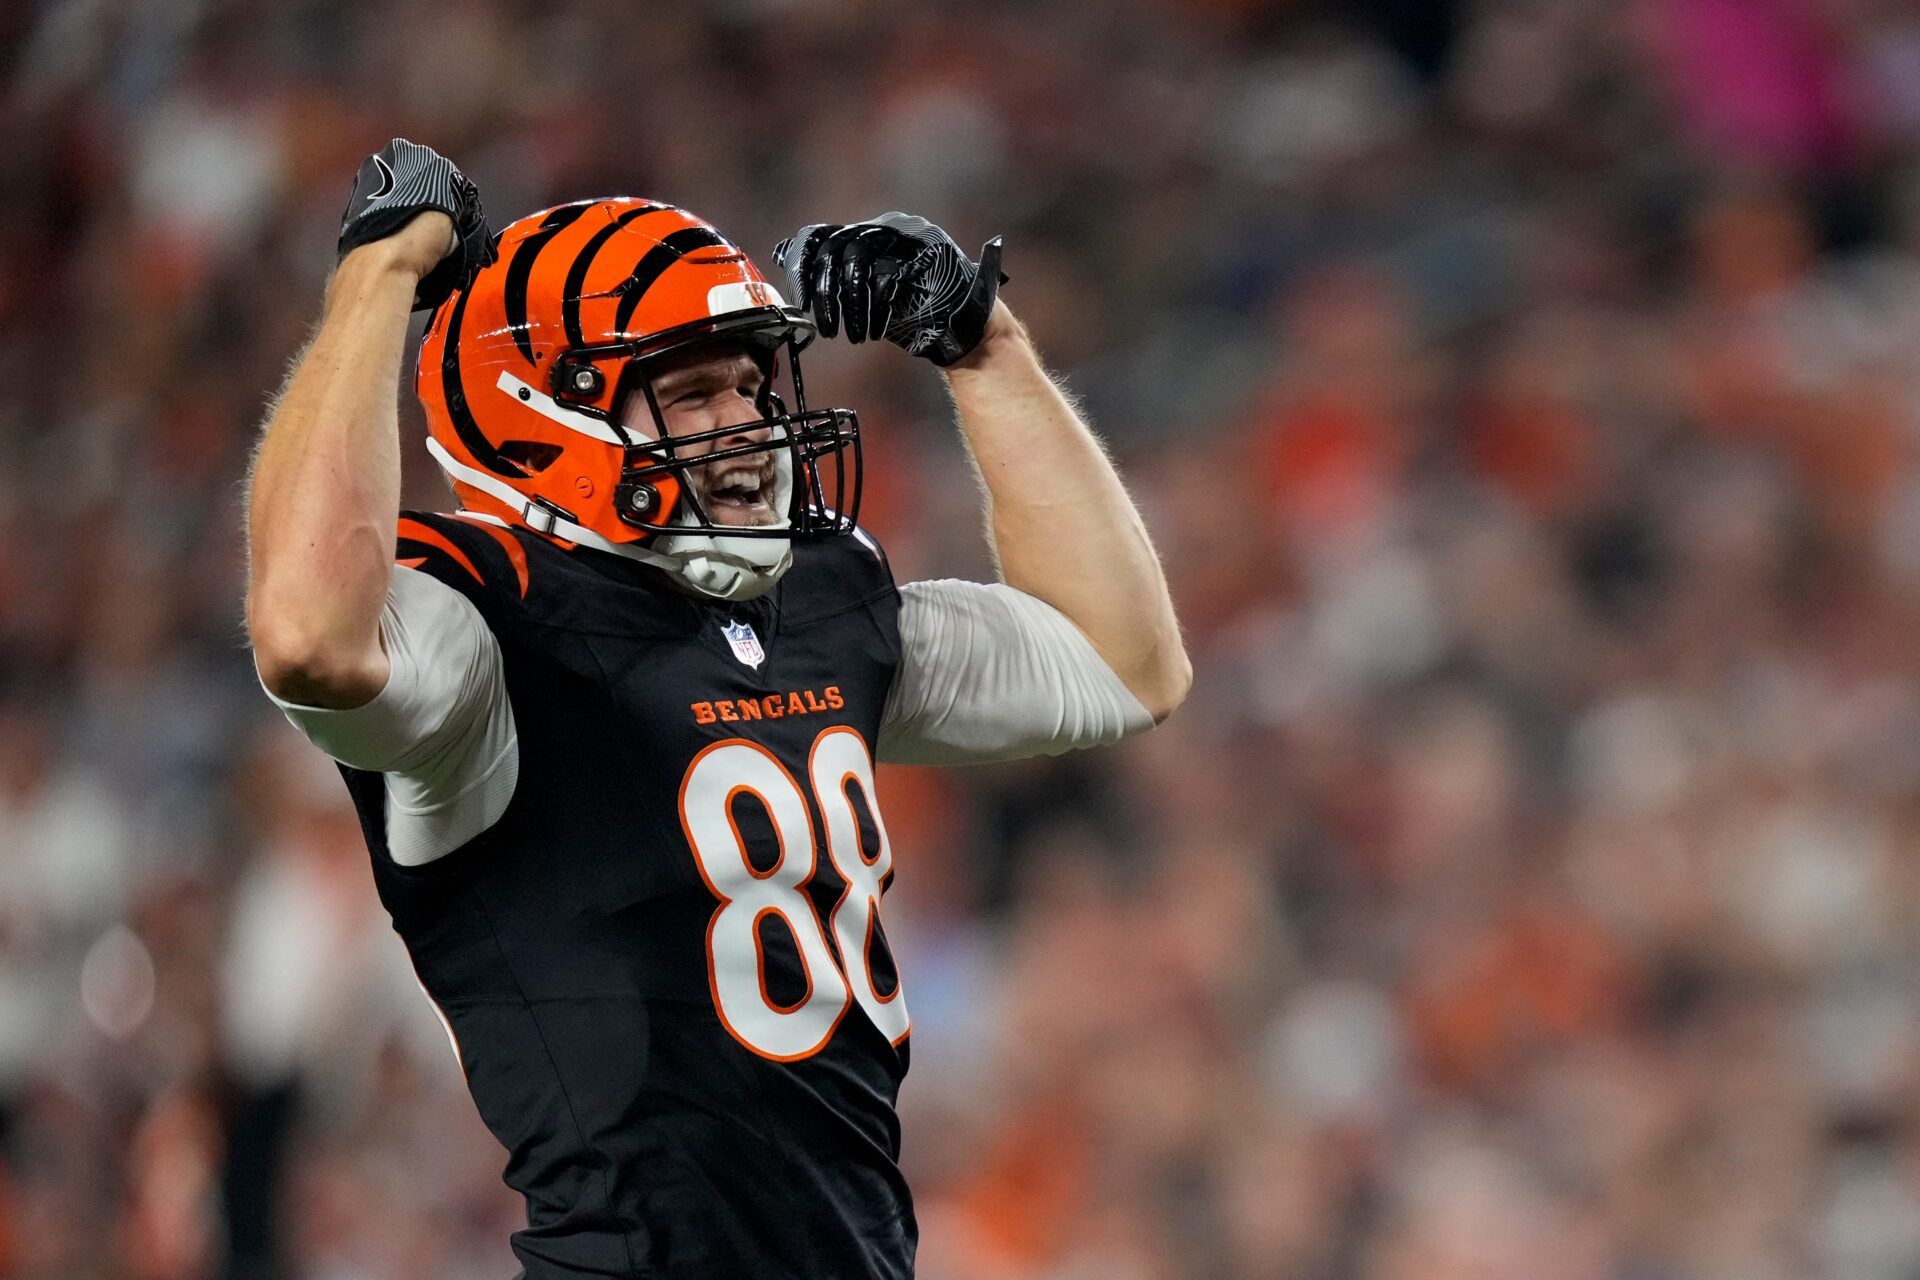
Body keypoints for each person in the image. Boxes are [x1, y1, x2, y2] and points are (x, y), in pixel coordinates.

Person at [245, 139, 1190, 1279]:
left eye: (749, 382)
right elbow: (305, 629)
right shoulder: (486, 638)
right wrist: (376, 280)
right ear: (541, 412)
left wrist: (984, 350)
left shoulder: (822, 601)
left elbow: (1123, 663)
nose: (745, 423)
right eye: (692, 389)